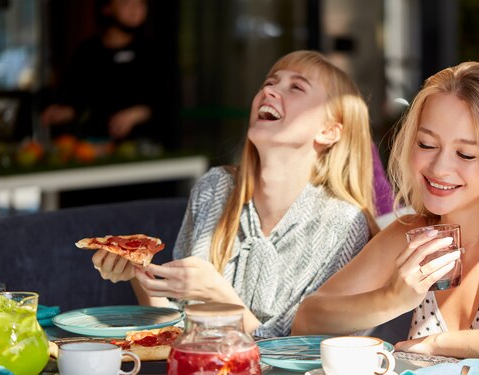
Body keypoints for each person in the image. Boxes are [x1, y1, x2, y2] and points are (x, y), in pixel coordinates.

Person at [292, 61, 479, 361]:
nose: (439, 168)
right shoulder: (410, 232)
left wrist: (436, 344)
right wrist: (391, 299)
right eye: (426, 144)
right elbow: (307, 320)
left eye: (466, 153)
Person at [91, 50, 378, 338]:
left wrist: (218, 295)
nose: (270, 91)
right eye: (270, 82)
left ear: (329, 131)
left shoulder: (342, 223)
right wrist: (140, 276)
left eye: (296, 87)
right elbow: (178, 329)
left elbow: (297, 352)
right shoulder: (215, 188)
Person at [41, 0, 167, 144]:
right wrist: (64, 112)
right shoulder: (88, 52)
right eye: (127, 4)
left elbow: (165, 100)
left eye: (140, 4)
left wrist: (136, 114)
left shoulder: (153, 51)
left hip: (145, 144)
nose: (135, 10)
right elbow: (78, 99)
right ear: (107, 8)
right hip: (95, 145)